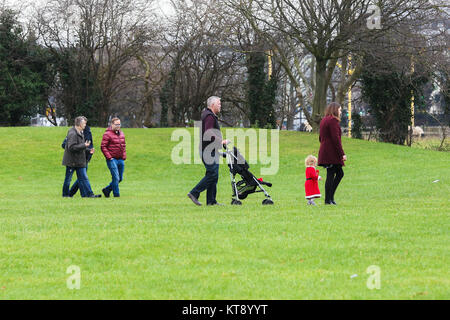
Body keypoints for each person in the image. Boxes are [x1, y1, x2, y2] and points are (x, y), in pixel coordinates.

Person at [187, 96, 229, 206]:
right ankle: (194, 193)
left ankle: (211, 201)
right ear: (213, 105)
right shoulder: (209, 116)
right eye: (219, 103)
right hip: (207, 151)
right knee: (212, 175)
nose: (220, 105)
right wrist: (221, 141)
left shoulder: (208, 115)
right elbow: (208, 133)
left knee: (213, 174)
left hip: (210, 150)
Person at [62, 116, 101, 198]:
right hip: (71, 161)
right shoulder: (72, 133)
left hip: (79, 161)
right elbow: (71, 147)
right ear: (79, 124)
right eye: (84, 123)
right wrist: (84, 145)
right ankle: (65, 195)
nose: (85, 125)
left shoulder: (81, 132)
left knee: (84, 178)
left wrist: (88, 150)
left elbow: (80, 147)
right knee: (68, 180)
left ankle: (90, 194)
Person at [318, 102, 347, 205]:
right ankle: (328, 199)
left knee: (338, 173)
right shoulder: (333, 121)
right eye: (339, 110)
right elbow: (336, 139)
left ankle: (330, 198)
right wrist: (342, 153)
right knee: (332, 174)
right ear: (335, 110)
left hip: (325, 151)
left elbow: (320, 138)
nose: (340, 112)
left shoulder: (324, 120)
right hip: (331, 152)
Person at [101, 117, 126, 198]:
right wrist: (109, 157)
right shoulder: (107, 134)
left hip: (120, 159)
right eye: (116, 124)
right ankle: (116, 195)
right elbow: (103, 146)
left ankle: (107, 190)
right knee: (116, 177)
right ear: (112, 124)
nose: (118, 126)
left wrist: (124, 156)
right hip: (112, 159)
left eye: (119, 124)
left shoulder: (121, 133)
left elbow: (124, 145)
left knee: (120, 178)